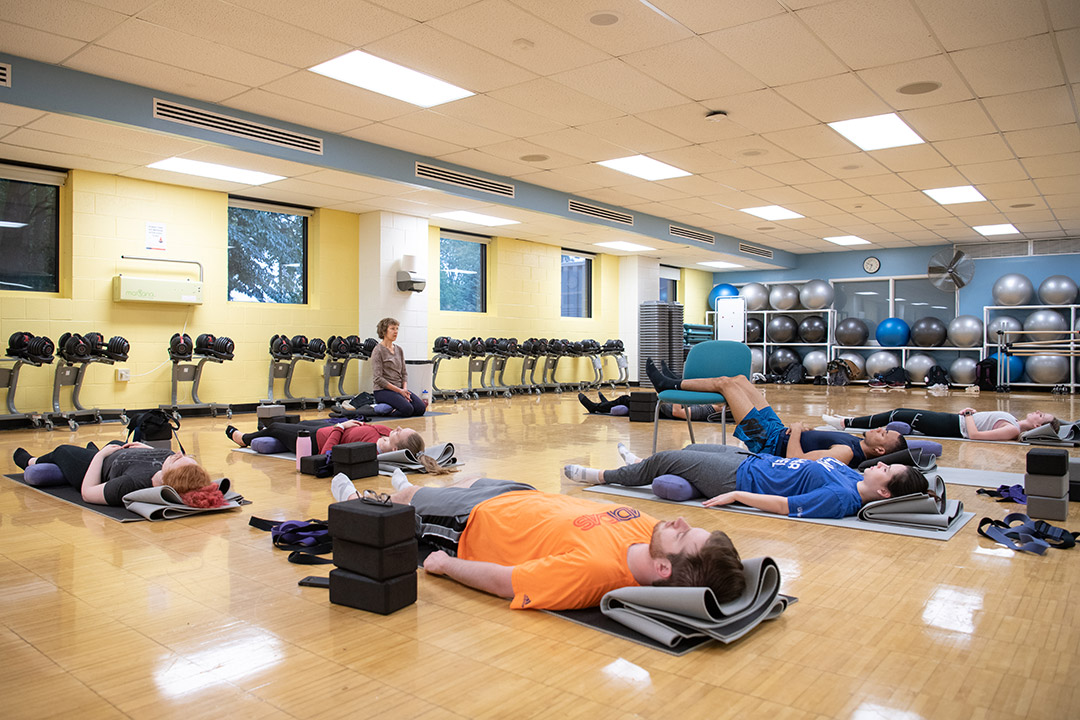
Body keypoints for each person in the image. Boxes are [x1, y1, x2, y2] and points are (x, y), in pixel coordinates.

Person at [328, 473, 745, 610]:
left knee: (406, 504)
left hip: (474, 521)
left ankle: (354, 502)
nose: (678, 520)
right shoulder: (652, 534)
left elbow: (506, 581)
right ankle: (410, 481)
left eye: (684, 534)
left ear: (663, 570)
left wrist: (446, 565)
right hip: (519, 493)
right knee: (463, 479)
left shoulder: (595, 573)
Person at [564, 442, 929, 520]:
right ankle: (642, 465)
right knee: (694, 446)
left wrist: (736, 494)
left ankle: (601, 475)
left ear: (883, 491)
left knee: (667, 459)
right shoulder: (853, 475)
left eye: (887, 471)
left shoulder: (841, 499)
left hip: (737, 478)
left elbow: (786, 506)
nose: (881, 465)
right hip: (753, 460)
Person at [12, 442, 221, 507]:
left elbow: (87, 492)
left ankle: (31, 461)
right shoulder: (170, 468)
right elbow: (169, 459)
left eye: (177, 459)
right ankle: (95, 448)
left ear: (170, 476)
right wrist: (145, 448)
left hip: (96, 465)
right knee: (118, 443)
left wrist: (100, 456)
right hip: (121, 453)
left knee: (63, 451)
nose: (176, 454)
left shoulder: (132, 484)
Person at [225, 419, 448, 473]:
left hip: (316, 440)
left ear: (395, 448)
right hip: (329, 427)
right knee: (298, 422)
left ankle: (243, 439)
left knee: (274, 426)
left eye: (400, 432)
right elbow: (367, 426)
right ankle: (260, 434)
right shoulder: (384, 434)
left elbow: (325, 454)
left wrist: (340, 428)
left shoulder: (368, 448)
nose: (397, 428)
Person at [824, 407, 1059, 442]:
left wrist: (968, 414)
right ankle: (848, 422)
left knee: (899, 413)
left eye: (1042, 416)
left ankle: (845, 423)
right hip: (952, 420)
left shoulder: (1013, 429)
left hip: (953, 425)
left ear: (1039, 427)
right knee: (898, 414)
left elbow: (975, 436)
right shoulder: (1014, 420)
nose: (1039, 412)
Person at [371, 317, 426, 417]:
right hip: (383, 391)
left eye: (397, 329)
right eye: (392, 329)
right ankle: (387, 410)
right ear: (384, 331)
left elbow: (404, 373)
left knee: (420, 408)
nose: (395, 331)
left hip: (400, 389)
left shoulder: (399, 349)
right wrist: (399, 391)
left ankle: (395, 405)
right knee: (407, 409)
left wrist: (404, 390)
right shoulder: (377, 350)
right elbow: (378, 378)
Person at [578, 391, 722, 421]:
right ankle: (604, 404)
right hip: (665, 405)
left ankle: (596, 407)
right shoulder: (710, 405)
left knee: (626, 399)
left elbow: (679, 413)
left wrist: (679, 393)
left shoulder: (705, 411)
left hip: (663, 409)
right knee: (627, 401)